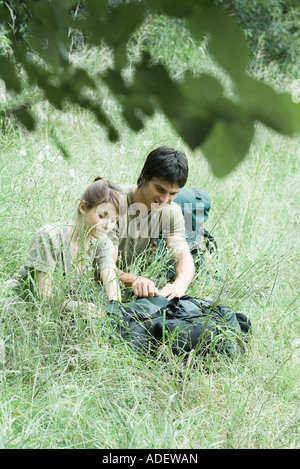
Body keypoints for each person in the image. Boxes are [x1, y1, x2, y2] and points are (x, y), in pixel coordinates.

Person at [7, 177, 127, 317]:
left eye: (114, 220)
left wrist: (115, 309)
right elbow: (42, 295)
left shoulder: (103, 242)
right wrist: (79, 307)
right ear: (83, 208)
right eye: (102, 216)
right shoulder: (50, 236)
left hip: (56, 314)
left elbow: (110, 279)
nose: (108, 226)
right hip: (20, 311)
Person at [110, 146, 195, 300]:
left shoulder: (171, 210)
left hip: (142, 290)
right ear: (144, 177)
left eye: (172, 194)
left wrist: (179, 285)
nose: (164, 200)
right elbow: (105, 266)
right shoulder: (114, 202)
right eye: (160, 189)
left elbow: (183, 254)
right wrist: (134, 280)